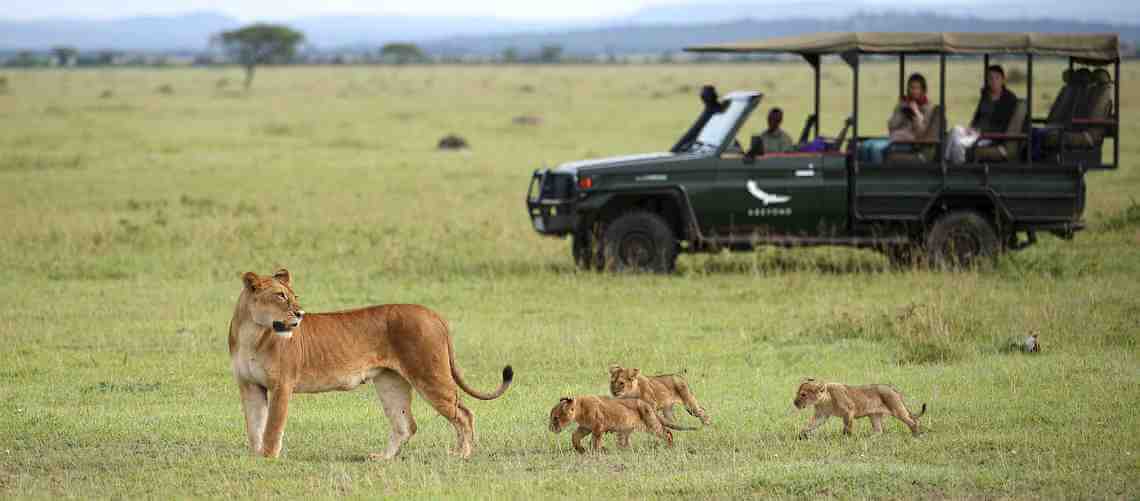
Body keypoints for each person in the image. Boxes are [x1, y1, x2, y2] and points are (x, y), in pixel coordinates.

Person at [945, 65, 1020, 164]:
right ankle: (945, 160)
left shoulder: (1009, 99)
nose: (993, 81)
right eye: (990, 78)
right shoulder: (986, 96)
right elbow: (977, 116)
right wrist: (971, 128)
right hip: (976, 132)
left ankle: (959, 168)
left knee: (958, 143)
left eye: (997, 78)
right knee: (955, 130)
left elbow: (1003, 125)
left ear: (1003, 80)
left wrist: (981, 132)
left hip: (990, 137)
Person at [858, 73, 933, 164]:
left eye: (917, 88)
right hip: (895, 138)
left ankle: (878, 175)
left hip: (911, 143)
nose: (914, 91)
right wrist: (900, 110)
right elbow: (891, 126)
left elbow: (921, 133)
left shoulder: (927, 107)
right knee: (864, 146)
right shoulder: (905, 103)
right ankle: (865, 176)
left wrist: (916, 112)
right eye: (911, 88)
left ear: (923, 90)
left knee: (875, 148)